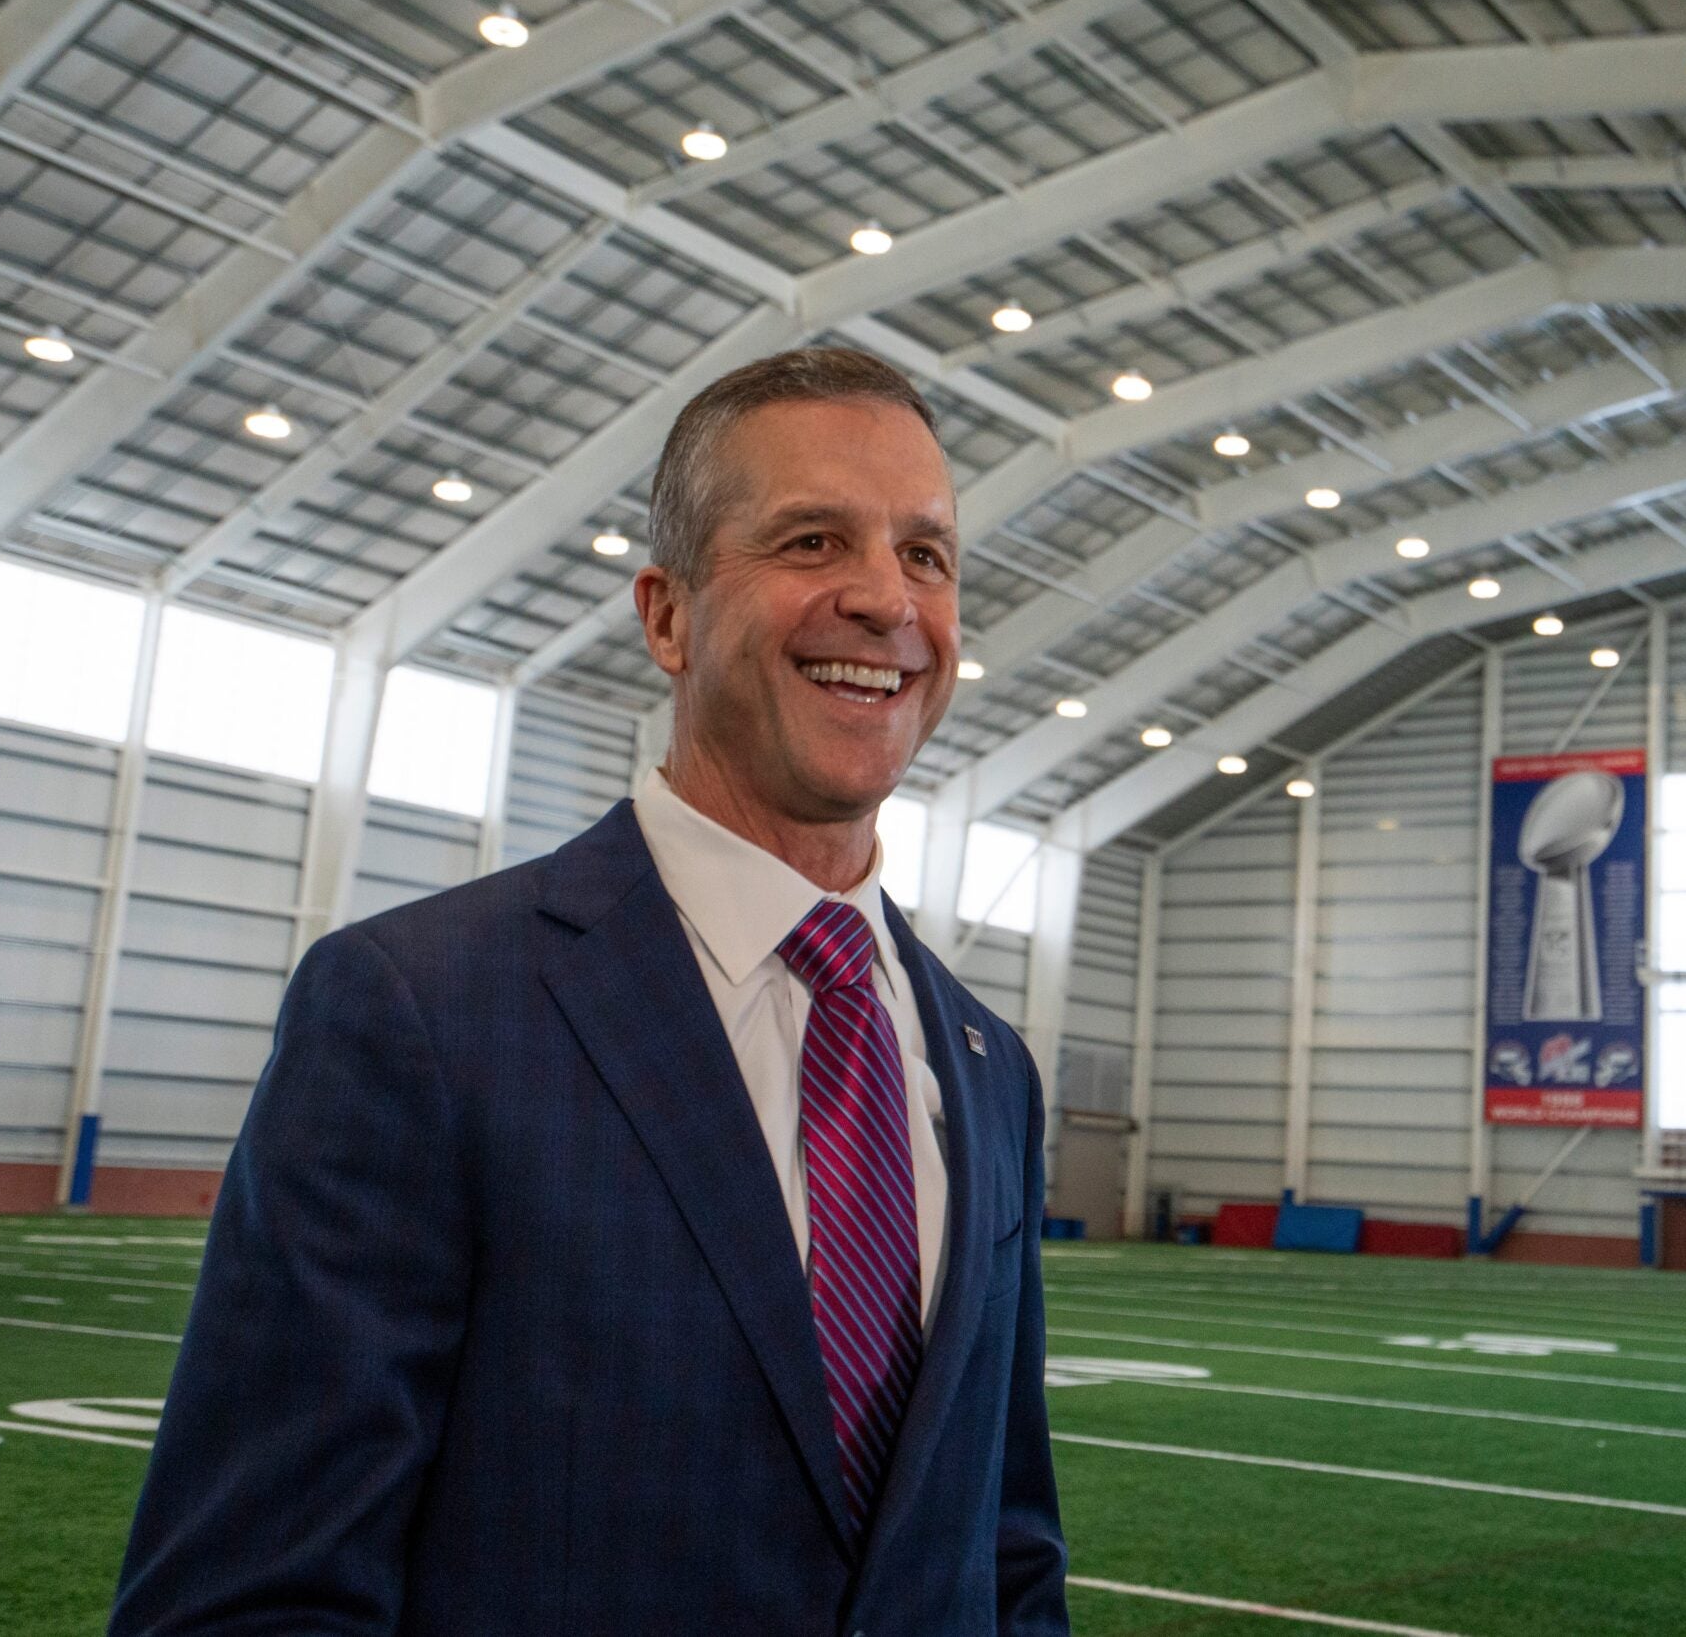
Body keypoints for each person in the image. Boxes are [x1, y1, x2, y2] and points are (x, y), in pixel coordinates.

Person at [109, 349, 1071, 1635]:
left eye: (926, 555)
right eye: (811, 540)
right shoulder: (420, 1012)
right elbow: (250, 1597)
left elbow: (1007, 1554)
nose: (886, 600)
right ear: (667, 618)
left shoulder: (989, 1067)